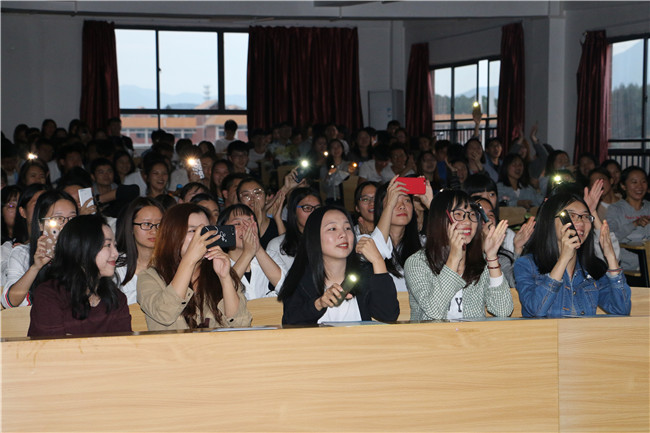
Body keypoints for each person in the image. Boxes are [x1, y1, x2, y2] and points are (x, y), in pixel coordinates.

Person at [137, 203, 251, 330]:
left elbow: (241, 325)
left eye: (206, 230)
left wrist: (225, 278)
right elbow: (164, 314)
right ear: (173, 235)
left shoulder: (217, 271)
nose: (202, 237)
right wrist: (189, 261)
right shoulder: (150, 277)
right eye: (193, 231)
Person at [514, 192, 630, 317]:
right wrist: (563, 259)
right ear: (550, 221)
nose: (580, 222)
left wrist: (611, 257)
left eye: (585, 216)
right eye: (572, 216)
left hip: (584, 330)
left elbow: (621, 310)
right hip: (546, 330)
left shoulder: (591, 269)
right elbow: (536, 311)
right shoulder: (527, 265)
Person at [278, 205, 399, 325]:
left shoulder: (365, 273)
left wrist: (378, 261)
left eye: (347, 228)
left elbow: (388, 315)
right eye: (332, 229)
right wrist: (319, 303)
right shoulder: (301, 277)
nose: (343, 234)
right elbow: (290, 322)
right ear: (314, 236)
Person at [404, 189, 513, 320]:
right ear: (440, 219)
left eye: (472, 215)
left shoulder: (480, 261)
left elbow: (503, 310)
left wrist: (491, 257)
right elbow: (434, 312)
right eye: (459, 214)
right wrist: (454, 257)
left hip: (473, 333)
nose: (467, 222)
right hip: (433, 333)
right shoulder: (417, 262)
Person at [28, 214, 131, 337]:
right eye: (108, 245)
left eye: (115, 246)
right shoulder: (49, 295)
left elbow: (124, 346)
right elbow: (53, 347)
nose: (116, 254)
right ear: (82, 249)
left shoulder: (116, 298)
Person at [3, 190, 78, 308]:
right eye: (58, 218)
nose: (66, 225)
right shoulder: (23, 254)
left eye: (72, 218)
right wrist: (35, 267)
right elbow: (10, 302)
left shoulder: (87, 252)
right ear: (41, 224)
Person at [371, 177, 431, 292]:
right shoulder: (366, 241)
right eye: (394, 200)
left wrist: (431, 204)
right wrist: (389, 206)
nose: (402, 205)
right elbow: (376, 248)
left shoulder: (424, 243)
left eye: (407, 200)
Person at [219, 204, 283, 300]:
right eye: (237, 224)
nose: (245, 228)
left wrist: (257, 248)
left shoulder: (270, 255)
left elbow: (285, 287)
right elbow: (221, 294)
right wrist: (247, 253)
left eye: (249, 222)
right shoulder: (217, 262)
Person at [115, 198, 165, 305]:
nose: (154, 231)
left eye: (159, 224)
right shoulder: (115, 266)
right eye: (146, 224)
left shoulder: (173, 264)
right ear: (131, 227)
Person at [266, 187, 322, 275]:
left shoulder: (329, 240)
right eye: (307, 208)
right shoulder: (276, 246)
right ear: (294, 211)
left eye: (317, 208)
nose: (313, 213)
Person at [605, 166, 650, 271]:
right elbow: (610, 238)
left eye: (643, 182)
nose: (640, 186)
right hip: (627, 270)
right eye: (634, 182)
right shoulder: (615, 209)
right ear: (623, 186)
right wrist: (634, 224)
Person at [236, 177, 285, 249]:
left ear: (267, 198)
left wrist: (278, 219)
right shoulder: (238, 230)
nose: (252, 198)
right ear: (239, 202)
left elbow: (287, 252)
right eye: (246, 195)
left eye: (257, 193)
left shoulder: (281, 225)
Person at [320, 139, 352, 205]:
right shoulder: (324, 167)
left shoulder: (349, 165)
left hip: (347, 199)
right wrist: (328, 175)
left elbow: (352, 182)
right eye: (333, 147)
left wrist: (352, 173)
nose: (336, 149)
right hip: (331, 199)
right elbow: (323, 188)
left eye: (338, 146)